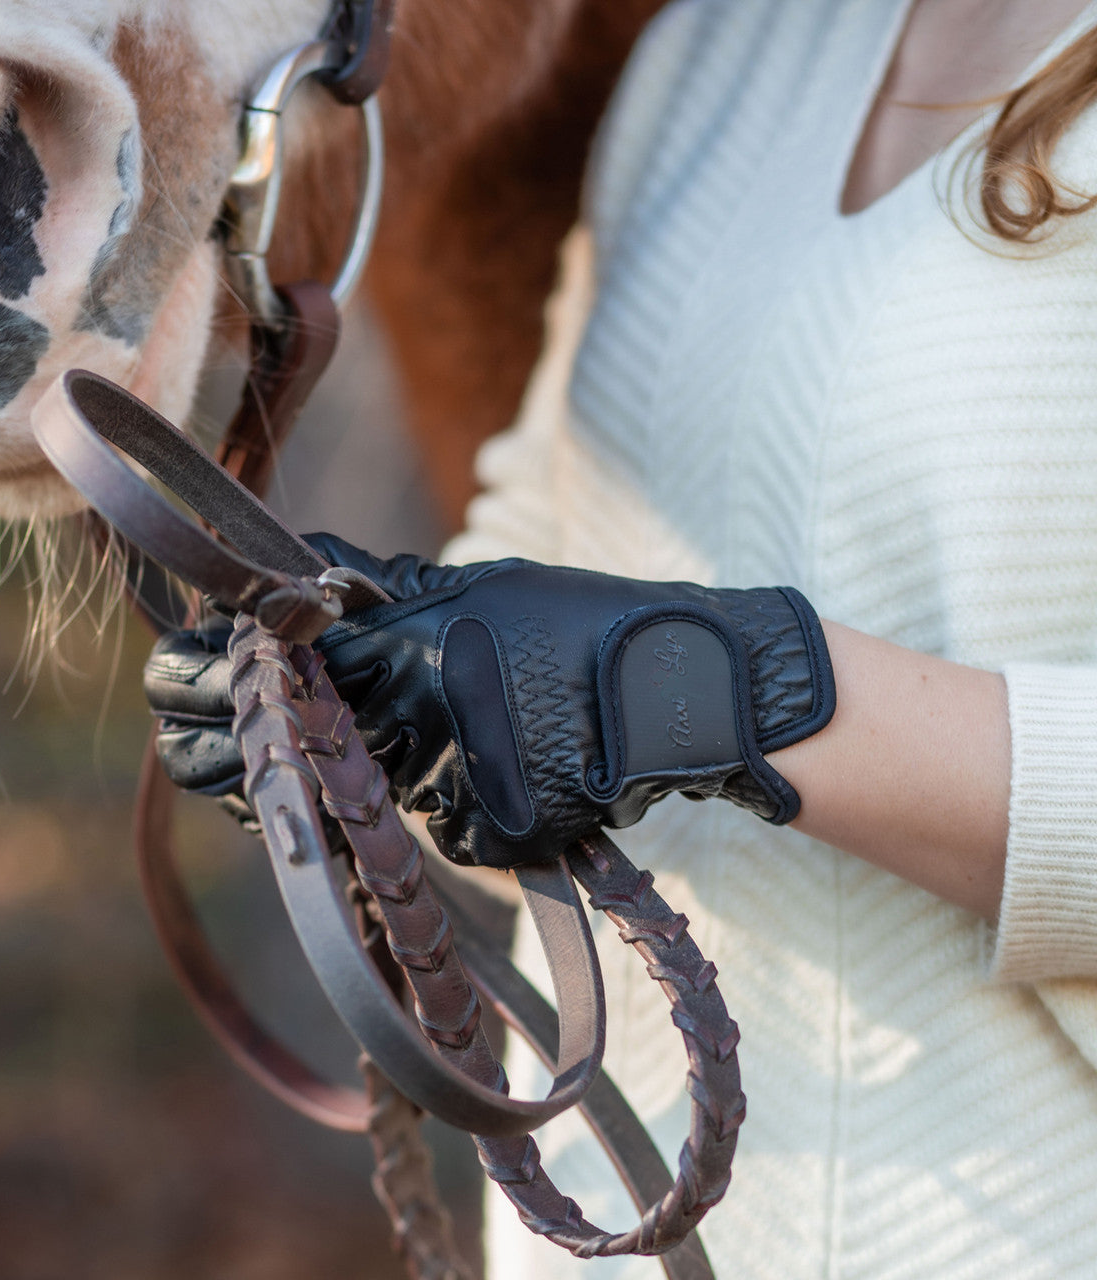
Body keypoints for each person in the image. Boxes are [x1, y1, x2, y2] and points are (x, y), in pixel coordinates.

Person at [145, 0, 1097, 1274]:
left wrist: (717, 692)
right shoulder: (717, 52)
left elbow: (616, 681)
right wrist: (364, 702)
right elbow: (539, 566)